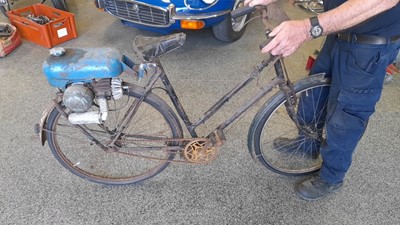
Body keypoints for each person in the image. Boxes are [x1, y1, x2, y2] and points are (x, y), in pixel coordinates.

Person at [243, 0, 400, 200]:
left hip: (369, 45)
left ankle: (331, 177)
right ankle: (307, 143)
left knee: (346, 116)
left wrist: (310, 28)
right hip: (338, 33)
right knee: (313, 95)